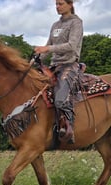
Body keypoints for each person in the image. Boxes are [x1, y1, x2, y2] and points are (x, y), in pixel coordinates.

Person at [34, 0, 83, 144]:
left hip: (69, 64)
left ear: (70, 4)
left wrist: (47, 49)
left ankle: (69, 129)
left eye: (61, 3)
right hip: (53, 66)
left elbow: (71, 45)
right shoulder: (55, 25)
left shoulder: (76, 23)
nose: (57, 7)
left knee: (60, 99)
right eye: (56, 4)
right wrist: (34, 60)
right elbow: (48, 45)